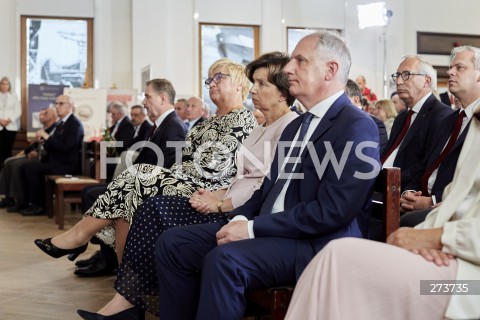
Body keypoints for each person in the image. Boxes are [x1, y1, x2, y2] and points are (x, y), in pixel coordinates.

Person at [155, 30, 380, 320]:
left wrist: (250, 230)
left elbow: (332, 212)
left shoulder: (356, 126)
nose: (288, 69)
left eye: (300, 61)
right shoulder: (296, 127)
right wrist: (239, 219)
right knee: (173, 244)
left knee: (225, 260)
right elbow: (266, 190)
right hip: (272, 229)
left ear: (330, 70)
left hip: (315, 244)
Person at [76, 51, 299, 319]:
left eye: (262, 84)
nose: (254, 89)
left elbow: (261, 187)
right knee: (147, 206)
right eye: (255, 82)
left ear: (283, 93)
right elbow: (238, 180)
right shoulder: (261, 128)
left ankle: (127, 299)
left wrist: (218, 203)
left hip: (237, 212)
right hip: (221, 199)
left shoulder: (286, 127)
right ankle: (129, 300)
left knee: (150, 202)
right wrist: (215, 195)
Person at [34, 60, 256, 263]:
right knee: (126, 206)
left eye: (219, 77)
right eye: (209, 79)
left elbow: (231, 172)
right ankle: (125, 286)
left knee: (139, 174)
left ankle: (80, 235)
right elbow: (182, 160)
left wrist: (206, 192)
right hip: (183, 181)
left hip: (206, 192)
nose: (211, 83)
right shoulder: (205, 123)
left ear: (239, 84)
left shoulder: (245, 120)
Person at [285, 108, 480, 320]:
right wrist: (428, 238)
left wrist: (439, 238)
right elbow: (457, 200)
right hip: (455, 257)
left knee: (340, 264)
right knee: (337, 258)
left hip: (469, 287)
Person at [73, 80, 186, 277]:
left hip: (151, 193)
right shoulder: (161, 125)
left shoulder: (173, 127)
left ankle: (105, 258)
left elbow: (165, 171)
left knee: (95, 195)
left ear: (163, 98)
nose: (143, 102)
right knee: (89, 191)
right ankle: (102, 252)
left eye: (147, 96)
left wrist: (127, 187)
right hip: (139, 185)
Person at [400, 46, 480, 226]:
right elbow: (425, 165)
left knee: (405, 223)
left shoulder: (478, 120)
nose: (450, 72)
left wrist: (433, 201)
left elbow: (473, 185)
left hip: (454, 209)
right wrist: (408, 193)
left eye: (459, 68)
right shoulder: (448, 120)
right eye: (451, 67)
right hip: (423, 200)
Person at [382, 55, 453, 190]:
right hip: (383, 185)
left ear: (426, 81)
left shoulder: (442, 115)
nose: (398, 81)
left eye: (406, 75)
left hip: (404, 192)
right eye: (397, 75)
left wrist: (395, 188)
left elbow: (427, 165)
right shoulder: (401, 118)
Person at [19, 94, 84, 216]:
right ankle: (29, 202)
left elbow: (66, 148)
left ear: (70, 106)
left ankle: (39, 206)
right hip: (57, 161)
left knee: (31, 169)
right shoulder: (62, 123)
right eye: (56, 103)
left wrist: (47, 137)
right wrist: (45, 141)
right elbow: (55, 145)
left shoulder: (74, 124)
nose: (57, 106)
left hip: (66, 164)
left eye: (61, 103)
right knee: (25, 167)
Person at [0, 107, 58, 210]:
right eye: (40, 113)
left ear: (54, 116)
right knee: (8, 161)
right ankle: (8, 198)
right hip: (35, 155)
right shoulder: (44, 130)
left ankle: (21, 200)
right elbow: (32, 146)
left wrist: (38, 153)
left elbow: (55, 147)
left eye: (45, 113)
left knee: (16, 164)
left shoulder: (56, 128)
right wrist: (21, 154)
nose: (41, 115)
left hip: (43, 158)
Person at [345, 79, 388, 154]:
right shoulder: (333, 122)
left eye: (341, 98)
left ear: (355, 100)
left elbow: (374, 154)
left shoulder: (376, 124)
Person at [0, 76, 21, 170]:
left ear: (9, 86)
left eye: (6, 84)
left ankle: (7, 169)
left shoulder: (14, 95)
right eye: (2, 84)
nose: (4, 86)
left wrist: (9, 120)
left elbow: (18, 111)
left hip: (11, 126)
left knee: (7, 149)